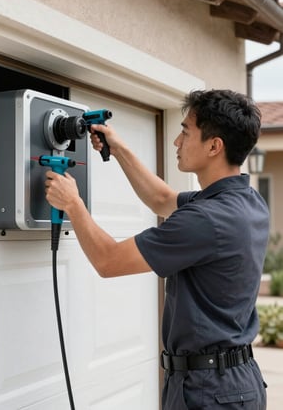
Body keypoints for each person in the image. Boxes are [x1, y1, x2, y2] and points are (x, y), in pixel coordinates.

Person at [45, 89, 269, 409]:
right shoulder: (244, 202)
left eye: (185, 131)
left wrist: (73, 204)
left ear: (214, 146)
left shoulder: (207, 219)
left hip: (210, 390)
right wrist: (119, 148)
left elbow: (108, 261)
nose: (177, 142)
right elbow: (162, 200)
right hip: (231, 381)